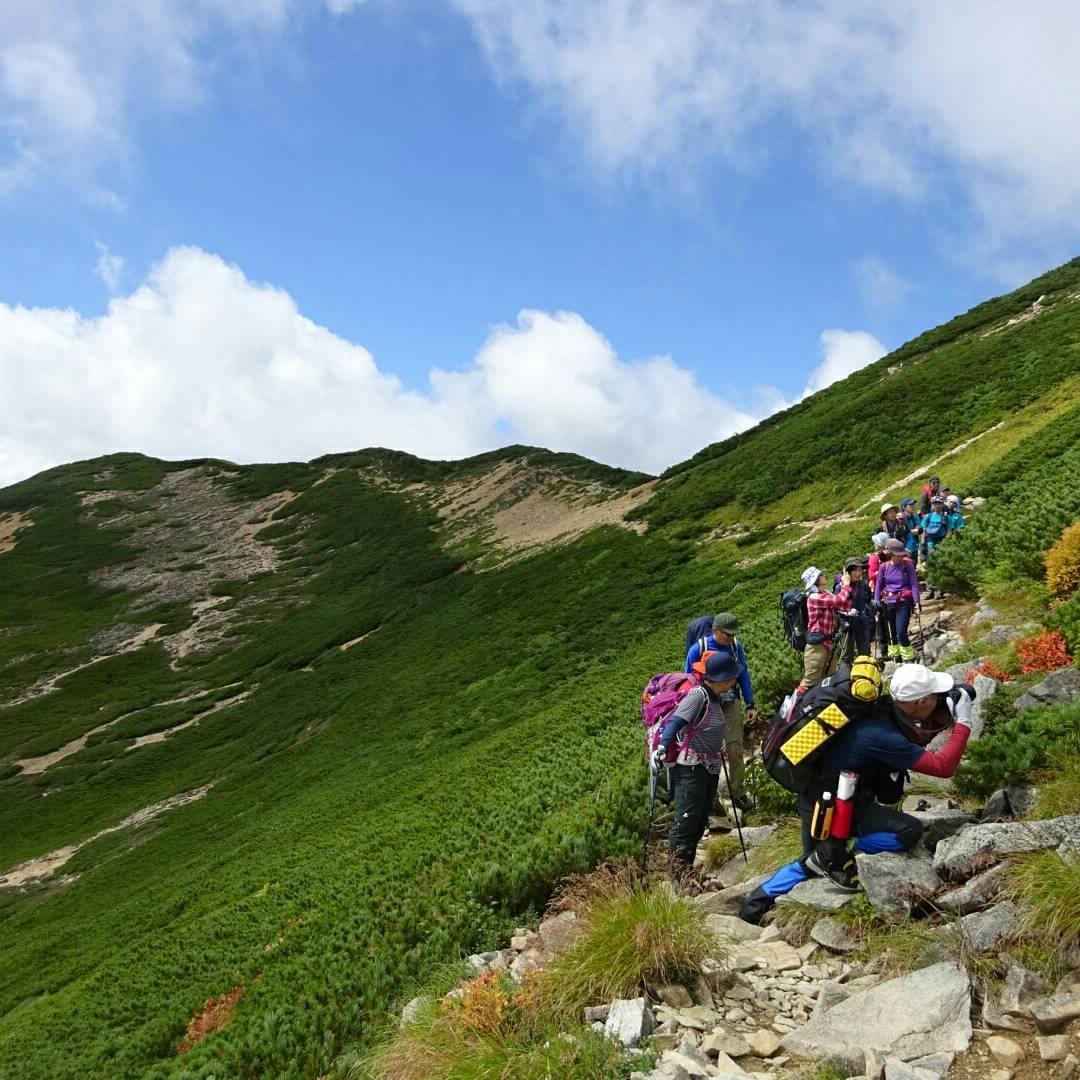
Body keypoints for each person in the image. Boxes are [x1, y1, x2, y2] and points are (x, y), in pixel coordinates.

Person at [739, 663, 976, 921]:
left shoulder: (880, 708)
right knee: (908, 832)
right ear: (920, 701)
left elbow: (915, 733)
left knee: (811, 861)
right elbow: (943, 767)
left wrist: (949, 706)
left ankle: (756, 901)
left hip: (817, 800)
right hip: (834, 811)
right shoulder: (882, 736)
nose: (938, 700)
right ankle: (834, 850)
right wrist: (963, 722)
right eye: (935, 697)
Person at [652, 651, 743, 878]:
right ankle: (679, 875)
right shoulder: (698, 696)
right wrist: (662, 746)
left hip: (708, 766)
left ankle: (686, 868)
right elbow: (676, 722)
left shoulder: (715, 697)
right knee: (687, 820)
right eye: (732, 677)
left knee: (700, 818)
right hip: (691, 768)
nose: (735, 681)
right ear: (721, 679)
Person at [685, 613, 758, 812]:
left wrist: (750, 703)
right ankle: (711, 799)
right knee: (708, 752)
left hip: (731, 700)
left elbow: (743, 674)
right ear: (715, 631)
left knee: (735, 747)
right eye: (728, 634)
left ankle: (738, 791)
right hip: (706, 704)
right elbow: (689, 680)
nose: (731, 638)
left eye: (733, 634)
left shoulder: (736, 647)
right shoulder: (698, 649)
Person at [799, 566, 852, 690]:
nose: (824, 576)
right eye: (821, 575)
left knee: (829, 679)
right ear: (816, 580)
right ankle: (795, 706)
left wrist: (847, 588)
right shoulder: (814, 597)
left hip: (828, 643)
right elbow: (838, 601)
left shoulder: (825, 594)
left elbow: (844, 605)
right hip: (816, 646)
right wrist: (846, 585)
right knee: (810, 681)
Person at [874, 538, 921, 660]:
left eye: (901, 555)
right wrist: (877, 603)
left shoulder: (908, 564)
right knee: (891, 631)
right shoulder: (884, 567)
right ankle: (895, 655)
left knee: (901, 631)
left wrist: (916, 602)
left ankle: (908, 656)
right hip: (888, 602)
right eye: (897, 555)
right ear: (891, 554)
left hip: (904, 602)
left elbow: (914, 584)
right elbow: (879, 585)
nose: (900, 557)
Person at [922, 495, 951, 599]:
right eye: (935, 504)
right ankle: (930, 590)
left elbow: (949, 531)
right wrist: (922, 545)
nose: (937, 505)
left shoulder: (946, 517)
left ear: (942, 505)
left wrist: (946, 543)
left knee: (940, 566)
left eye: (939, 503)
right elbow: (924, 531)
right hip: (930, 544)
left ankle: (939, 590)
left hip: (941, 543)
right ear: (932, 505)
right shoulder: (928, 517)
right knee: (930, 567)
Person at [899, 499, 923, 567]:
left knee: (914, 564)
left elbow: (919, 527)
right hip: (905, 547)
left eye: (913, 505)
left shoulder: (915, 515)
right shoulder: (900, 517)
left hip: (914, 545)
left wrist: (917, 529)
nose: (913, 506)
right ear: (904, 507)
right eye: (910, 505)